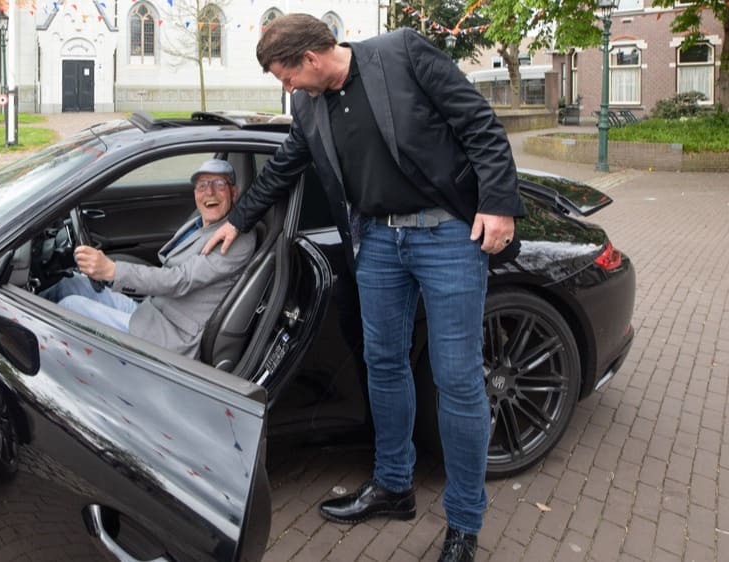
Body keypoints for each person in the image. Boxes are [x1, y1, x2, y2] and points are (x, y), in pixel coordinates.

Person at [201, 15, 525, 562]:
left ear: (310, 59)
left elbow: (480, 125)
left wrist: (497, 204)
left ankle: (465, 524)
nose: (287, 89)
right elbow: (284, 167)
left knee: (458, 380)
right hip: (376, 242)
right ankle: (394, 486)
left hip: (446, 234)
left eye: (286, 77)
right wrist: (239, 218)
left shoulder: (402, 53)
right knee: (384, 363)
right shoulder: (307, 107)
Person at [41, 159, 256, 360]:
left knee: (71, 305)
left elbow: (180, 279)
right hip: (151, 310)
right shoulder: (202, 222)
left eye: (219, 184)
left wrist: (112, 271)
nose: (209, 192)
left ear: (234, 193)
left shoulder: (237, 239)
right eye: (202, 185)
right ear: (195, 194)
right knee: (73, 284)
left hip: (169, 336)